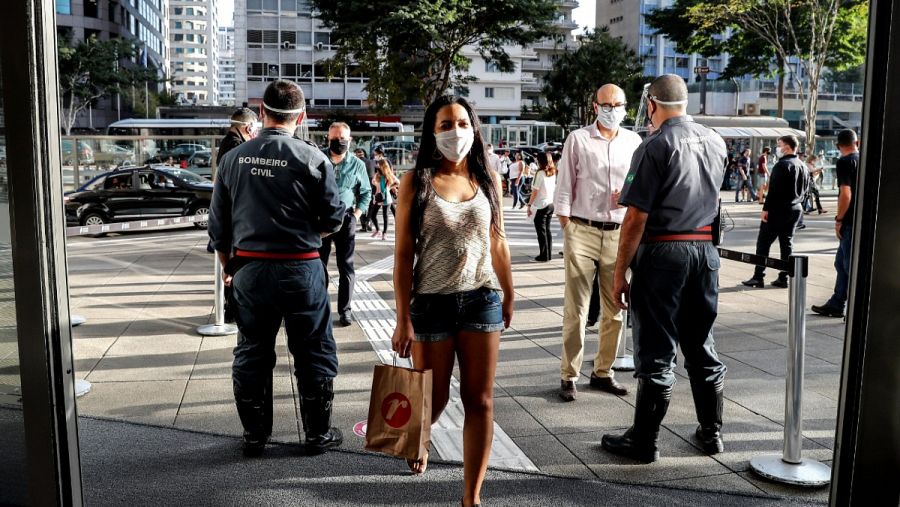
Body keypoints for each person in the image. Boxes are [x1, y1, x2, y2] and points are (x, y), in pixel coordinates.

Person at [208, 79, 346, 457]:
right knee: (313, 349)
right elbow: (334, 217)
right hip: (302, 268)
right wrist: (306, 232)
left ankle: (255, 436)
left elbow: (218, 226)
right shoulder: (314, 158)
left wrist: (229, 268)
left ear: (262, 112)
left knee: (252, 351)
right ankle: (317, 435)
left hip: (251, 269)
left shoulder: (234, 159)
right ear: (301, 117)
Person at [390, 95, 513, 507]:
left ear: (474, 128)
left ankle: (471, 497)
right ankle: (420, 437)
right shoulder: (416, 181)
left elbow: (498, 242)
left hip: (481, 299)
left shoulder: (488, 177)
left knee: (479, 400)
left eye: (461, 123)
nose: (454, 131)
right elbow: (404, 254)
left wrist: (509, 293)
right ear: (431, 132)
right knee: (434, 397)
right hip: (431, 302)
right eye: (444, 125)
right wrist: (401, 318)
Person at [603, 74, 728, 463]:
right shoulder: (715, 141)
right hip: (704, 252)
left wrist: (619, 271)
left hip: (663, 255)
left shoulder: (653, 146)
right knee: (700, 343)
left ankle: (645, 441)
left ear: (652, 105)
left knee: (656, 351)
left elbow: (636, 217)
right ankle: (712, 434)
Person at [554, 83, 642, 402]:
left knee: (615, 307)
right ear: (595, 107)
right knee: (575, 309)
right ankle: (569, 374)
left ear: (625, 106)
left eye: (617, 104)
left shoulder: (634, 141)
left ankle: (603, 372)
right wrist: (569, 228)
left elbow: (636, 178)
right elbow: (564, 188)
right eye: (605, 104)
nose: (611, 109)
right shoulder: (578, 139)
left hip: (619, 232)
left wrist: (627, 196)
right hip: (582, 229)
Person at [318, 122, 372, 327]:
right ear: (327, 138)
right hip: (321, 220)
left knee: (346, 267)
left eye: (342, 138)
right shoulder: (319, 158)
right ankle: (320, 309)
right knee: (319, 265)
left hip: (346, 219)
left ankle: (345, 310)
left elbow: (366, 192)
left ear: (349, 140)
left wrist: (357, 215)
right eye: (334, 138)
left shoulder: (357, 164)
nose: (338, 142)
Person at [741, 135, 810, 289]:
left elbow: (774, 190)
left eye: (779, 145)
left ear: (786, 147)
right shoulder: (802, 165)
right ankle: (783, 277)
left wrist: (765, 209)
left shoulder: (782, 165)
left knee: (764, 243)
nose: (777, 148)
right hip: (795, 208)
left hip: (778, 209)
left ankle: (758, 276)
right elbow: (806, 190)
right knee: (787, 243)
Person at [812, 129, 859, 318]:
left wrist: (839, 219)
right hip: (860, 219)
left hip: (849, 220)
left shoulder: (844, 162)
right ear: (857, 142)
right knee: (841, 263)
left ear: (838, 145)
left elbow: (846, 194)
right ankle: (837, 302)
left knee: (848, 265)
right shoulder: (862, 159)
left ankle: (850, 307)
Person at [526, 152, 557, 262]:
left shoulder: (540, 173)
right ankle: (547, 255)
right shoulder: (552, 172)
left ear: (540, 161)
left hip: (541, 205)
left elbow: (535, 191)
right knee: (547, 230)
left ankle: (543, 256)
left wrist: (529, 205)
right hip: (550, 204)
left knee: (541, 232)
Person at [370, 158, 399, 240]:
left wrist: (389, 187)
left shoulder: (389, 175)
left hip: (386, 198)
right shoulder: (377, 174)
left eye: (378, 164)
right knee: (372, 215)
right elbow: (373, 183)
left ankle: (384, 233)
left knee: (385, 216)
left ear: (382, 165)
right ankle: (378, 230)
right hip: (378, 197)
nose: (377, 165)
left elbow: (398, 182)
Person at [355, 148, 377, 232]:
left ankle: (364, 225)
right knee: (371, 204)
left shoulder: (356, 163)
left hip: (360, 186)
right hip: (371, 186)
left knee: (360, 204)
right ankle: (368, 221)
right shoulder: (371, 162)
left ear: (357, 154)